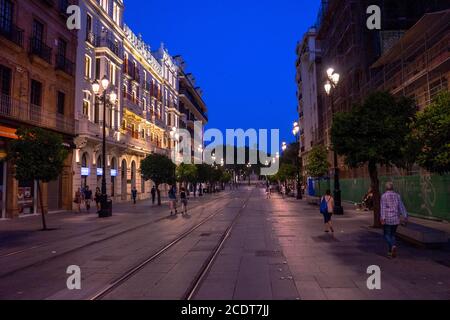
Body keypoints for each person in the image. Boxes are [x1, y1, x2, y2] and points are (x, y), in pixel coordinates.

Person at [381, 182, 408, 259]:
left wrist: (382, 218)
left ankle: (392, 246)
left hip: (387, 218)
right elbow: (401, 206)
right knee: (392, 234)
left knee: (386, 234)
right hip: (396, 218)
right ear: (392, 188)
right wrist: (405, 215)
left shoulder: (383, 196)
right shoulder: (397, 196)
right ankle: (390, 252)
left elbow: (382, 207)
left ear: (386, 188)